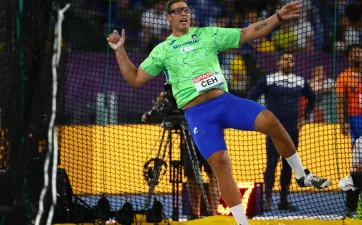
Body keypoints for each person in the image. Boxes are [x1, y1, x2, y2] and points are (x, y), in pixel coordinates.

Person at [107, 1, 332, 224]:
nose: (183, 13)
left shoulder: (208, 34)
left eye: (185, 9)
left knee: (271, 120)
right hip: (198, 114)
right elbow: (135, 78)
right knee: (220, 163)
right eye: (177, 11)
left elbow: (246, 33)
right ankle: (242, 223)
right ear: (169, 17)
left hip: (225, 102)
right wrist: (119, 51)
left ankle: (302, 174)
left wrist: (279, 17)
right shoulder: (162, 50)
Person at [248, 52, 316, 211]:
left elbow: (312, 98)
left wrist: (305, 116)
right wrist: (260, 117)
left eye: (291, 60)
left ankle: (283, 200)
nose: (288, 62)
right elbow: (251, 96)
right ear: (279, 62)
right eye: (285, 59)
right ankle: (267, 199)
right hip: (274, 129)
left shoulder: (300, 81)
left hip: (292, 129)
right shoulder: (269, 79)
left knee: (289, 165)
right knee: (271, 163)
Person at [141, 92, 220, 219]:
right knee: (191, 175)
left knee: (214, 174)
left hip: (209, 131)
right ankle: (195, 214)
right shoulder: (175, 81)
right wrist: (152, 112)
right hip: (188, 133)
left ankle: (215, 214)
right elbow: (163, 95)